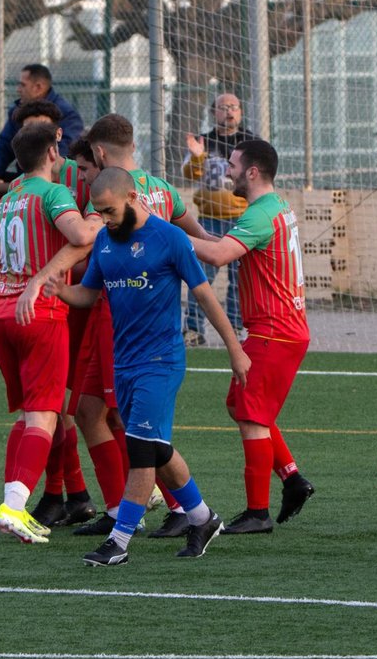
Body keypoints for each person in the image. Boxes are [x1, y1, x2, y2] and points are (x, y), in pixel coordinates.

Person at [18, 112, 212, 539]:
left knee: (128, 422)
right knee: (92, 411)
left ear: (101, 155)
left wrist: (44, 275)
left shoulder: (110, 195)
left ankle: (163, 512)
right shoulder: (162, 189)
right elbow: (200, 240)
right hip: (121, 316)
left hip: (122, 320)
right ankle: (125, 508)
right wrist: (231, 247)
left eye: (85, 168)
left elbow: (86, 238)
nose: (83, 178)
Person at [43, 167, 249, 566]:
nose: (105, 219)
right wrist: (62, 290)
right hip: (124, 364)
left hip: (161, 362)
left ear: (132, 198)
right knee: (156, 448)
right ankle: (203, 518)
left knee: (140, 451)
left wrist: (234, 349)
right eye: (99, 212)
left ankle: (118, 542)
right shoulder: (105, 241)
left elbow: (205, 298)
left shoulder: (170, 238)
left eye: (109, 211)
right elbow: (89, 293)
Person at [0, 125, 99, 543]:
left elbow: (0, 253)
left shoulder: (11, 197)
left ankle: (16, 505)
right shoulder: (53, 193)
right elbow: (81, 236)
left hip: (2, 315)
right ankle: (13, 507)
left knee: (29, 416)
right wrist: (98, 215)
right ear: (52, 153)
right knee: (45, 416)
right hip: (39, 313)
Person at [189, 139, 316, 533]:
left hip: (274, 332)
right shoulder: (273, 207)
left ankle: (257, 513)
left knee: (252, 418)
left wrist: (164, 234)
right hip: (277, 329)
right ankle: (292, 478)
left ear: (253, 172)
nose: (227, 172)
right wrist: (188, 230)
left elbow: (218, 256)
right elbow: (225, 245)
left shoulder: (260, 214)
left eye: (232, 165)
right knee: (238, 405)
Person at [182, 92, 259, 346]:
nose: (229, 111)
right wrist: (197, 156)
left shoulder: (250, 143)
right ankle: (193, 329)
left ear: (241, 112)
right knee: (200, 276)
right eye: (223, 107)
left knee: (240, 279)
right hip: (209, 221)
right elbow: (189, 174)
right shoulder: (203, 142)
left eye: (234, 107)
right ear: (213, 112)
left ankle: (237, 327)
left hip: (242, 220)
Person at [0, 63, 85, 197]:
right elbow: (4, 145)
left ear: (38, 87)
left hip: (54, 173)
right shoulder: (17, 112)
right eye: (27, 127)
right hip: (26, 173)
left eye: (23, 85)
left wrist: (45, 163)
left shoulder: (67, 114)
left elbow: (67, 148)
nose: (18, 89)